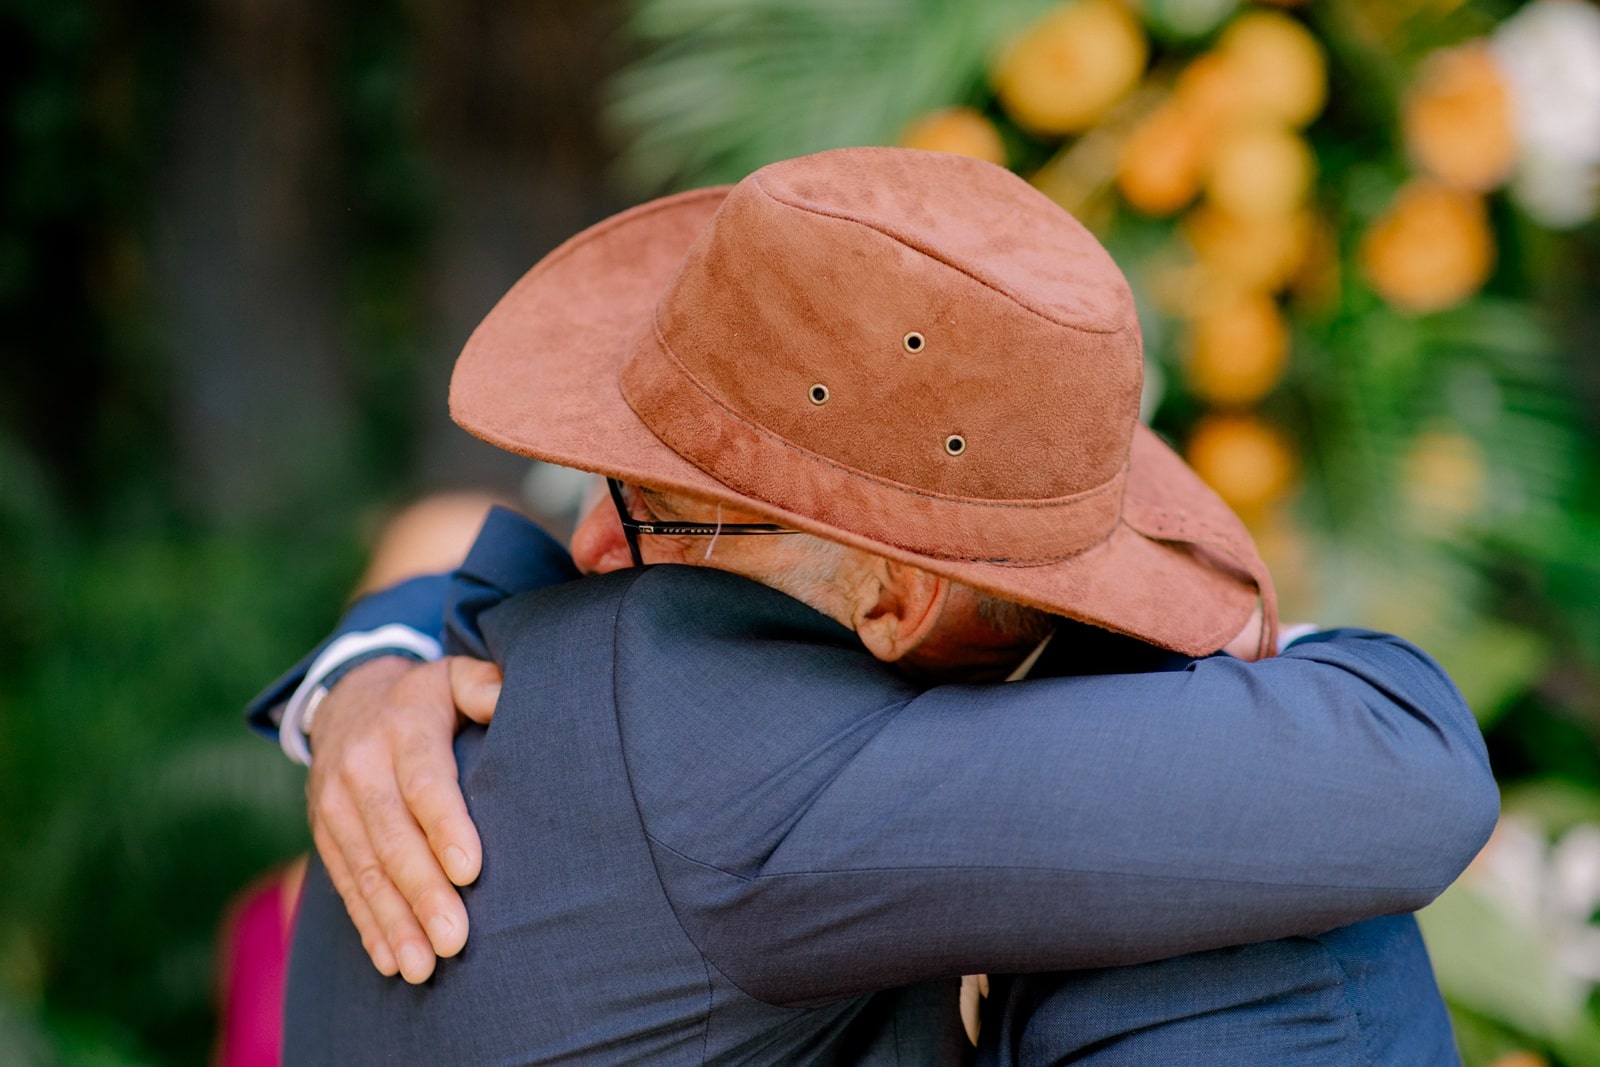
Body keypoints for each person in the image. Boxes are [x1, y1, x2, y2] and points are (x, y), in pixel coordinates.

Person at [253, 148, 1498, 1064]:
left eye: (653, 508)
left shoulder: (556, 682)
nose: (585, 541)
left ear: (896, 599)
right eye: (614, 480)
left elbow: (486, 600)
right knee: (1272, 917)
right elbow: (1407, 760)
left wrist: (364, 663)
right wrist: (1208, 651)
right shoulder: (726, 747)